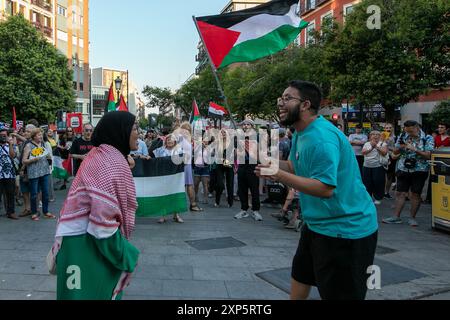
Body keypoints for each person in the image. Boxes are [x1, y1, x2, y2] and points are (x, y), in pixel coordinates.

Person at [256, 80, 378, 300]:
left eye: (287, 98)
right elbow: (295, 166)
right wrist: (267, 160)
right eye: (280, 99)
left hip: (345, 230)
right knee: (301, 274)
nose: (280, 104)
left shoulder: (321, 138)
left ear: (305, 104)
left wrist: (277, 174)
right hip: (317, 225)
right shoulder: (301, 133)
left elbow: (324, 188)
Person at [47, 111, 140, 300]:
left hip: (79, 242)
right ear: (120, 131)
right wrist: (127, 254)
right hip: (87, 246)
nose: (139, 132)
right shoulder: (109, 162)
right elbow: (102, 224)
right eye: (135, 128)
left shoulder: (100, 155)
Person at [382, 120, 434, 227]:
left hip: (420, 169)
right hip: (403, 168)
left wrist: (415, 149)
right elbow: (395, 152)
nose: (409, 133)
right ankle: (396, 217)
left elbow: (428, 155)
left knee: (415, 194)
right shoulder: (402, 136)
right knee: (400, 193)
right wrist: (402, 147)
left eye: (411, 131)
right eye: (407, 131)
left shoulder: (427, 138)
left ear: (417, 127)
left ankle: (412, 218)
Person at [22, 128, 55, 221]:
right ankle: (34, 212)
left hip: (44, 171)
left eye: (41, 135)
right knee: (34, 194)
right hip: (34, 172)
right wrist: (33, 159)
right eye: (39, 135)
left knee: (45, 192)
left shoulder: (44, 144)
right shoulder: (28, 146)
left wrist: (48, 157)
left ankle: (46, 211)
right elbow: (24, 160)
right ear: (34, 136)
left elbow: (47, 156)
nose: (41, 136)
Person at [235, 119, 262, 221]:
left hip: (253, 164)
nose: (245, 126)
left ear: (252, 126)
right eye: (244, 124)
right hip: (242, 164)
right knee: (242, 188)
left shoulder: (257, 136)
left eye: (248, 124)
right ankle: (244, 209)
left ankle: (256, 210)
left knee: (254, 188)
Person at [153, 134, 184, 224]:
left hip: (175, 177)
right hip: (164, 177)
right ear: (165, 141)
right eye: (168, 140)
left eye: (171, 140)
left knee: (175, 195)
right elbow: (153, 157)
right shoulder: (161, 150)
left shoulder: (178, 150)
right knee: (164, 195)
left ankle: (176, 215)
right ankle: (163, 215)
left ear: (175, 141)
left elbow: (183, 161)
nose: (169, 141)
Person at [176, 122, 203, 212]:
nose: (186, 131)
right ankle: (184, 205)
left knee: (188, 185)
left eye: (188, 130)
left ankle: (192, 204)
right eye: (184, 129)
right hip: (181, 165)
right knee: (182, 186)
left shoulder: (189, 139)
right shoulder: (180, 138)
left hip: (187, 165)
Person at [361, 131, 388, 205]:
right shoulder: (366, 143)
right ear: (370, 136)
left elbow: (384, 152)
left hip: (378, 166)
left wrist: (376, 146)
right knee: (367, 182)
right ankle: (368, 197)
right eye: (373, 134)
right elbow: (363, 152)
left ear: (380, 136)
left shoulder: (383, 144)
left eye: (377, 135)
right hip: (366, 166)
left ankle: (378, 198)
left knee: (378, 182)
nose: (375, 136)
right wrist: (371, 148)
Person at [0, 127, 18, 220]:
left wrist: (10, 143)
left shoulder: (11, 145)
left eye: (4, 136)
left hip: (9, 174)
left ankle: (11, 212)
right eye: (1, 136)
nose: (3, 137)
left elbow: (12, 156)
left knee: (10, 194)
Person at [17, 124, 36, 217]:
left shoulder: (34, 143)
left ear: (33, 132)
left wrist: (22, 168)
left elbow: (29, 157)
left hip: (30, 170)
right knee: (24, 190)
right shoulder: (25, 141)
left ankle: (34, 209)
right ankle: (27, 208)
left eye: (28, 131)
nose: (25, 133)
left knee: (33, 191)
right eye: (25, 131)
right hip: (23, 171)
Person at [214, 130, 234, 208]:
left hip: (229, 164)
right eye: (221, 133)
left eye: (224, 132)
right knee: (220, 184)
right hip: (219, 164)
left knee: (230, 184)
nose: (223, 134)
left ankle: (230, 202)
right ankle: (217, 201)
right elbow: (215, 155)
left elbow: (234, 155)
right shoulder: (217, 143)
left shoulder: (231, 143)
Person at [193, 137, 210, 205]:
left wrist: (206, 148)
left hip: (205, 168)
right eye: (203, 140)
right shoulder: (197, 148)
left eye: (206, 141)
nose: (204, 142)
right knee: (196, 184)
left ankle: (205, 198)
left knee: (205, 184)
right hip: (197, 167)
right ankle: (195, 196)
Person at [382, 123, 397, 199]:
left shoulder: (396, 137)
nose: (388, 129)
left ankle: (386, 192)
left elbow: (397, 148)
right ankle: (380, 192)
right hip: (383, 157)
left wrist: (390, 149)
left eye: (390, 127)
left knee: (390, 176)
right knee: (381, 176)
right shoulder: (382, 136)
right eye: (387, 127)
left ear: (392, 128)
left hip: (392, 158)